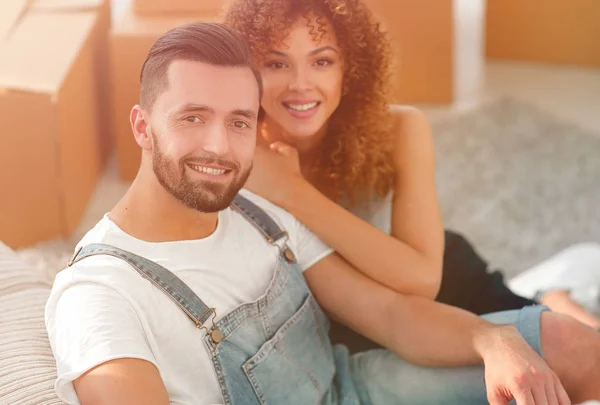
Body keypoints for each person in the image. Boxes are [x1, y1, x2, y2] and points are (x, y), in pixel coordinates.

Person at [44, 22, 600, 405]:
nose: (219, 146)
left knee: (574, 347)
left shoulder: (259, 208)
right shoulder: (98, 294)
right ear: (142, 126)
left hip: (353, 388)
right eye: (192, 117)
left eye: (239, 121)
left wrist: (492, 342)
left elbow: (390, 314)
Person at [223, 0, 600, 335]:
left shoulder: (402, 128)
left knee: (574, 346)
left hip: (453, 288)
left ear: (349, 67)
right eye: (276, 63)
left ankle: (548, 300)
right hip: (365, 329)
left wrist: (292, 191)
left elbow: (422, 279)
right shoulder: (236, 153)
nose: (301, 85)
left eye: (322, 61)